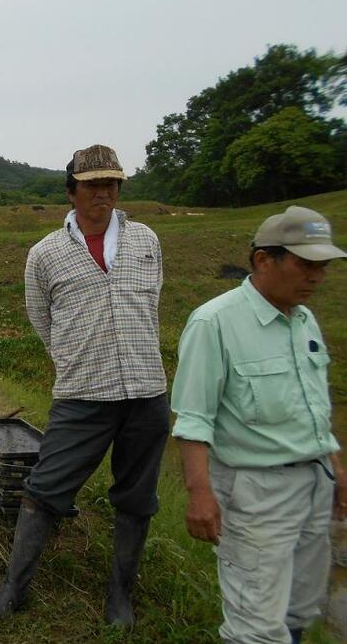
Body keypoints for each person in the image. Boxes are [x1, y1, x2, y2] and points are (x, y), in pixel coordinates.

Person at [0, 144, 169, 628]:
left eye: (110, 184)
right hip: (82, 393)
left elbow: (151, 305)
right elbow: (40, 317)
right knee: (44, 490)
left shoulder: (145, 239)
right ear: (71, 192)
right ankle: (13, 589)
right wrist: (71, 357)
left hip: (147, 392)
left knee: (136, 497)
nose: (102, 193)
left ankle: (119, 595)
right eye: (91, 185)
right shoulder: (46, 253)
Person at [171, 205, 347, 644]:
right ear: (264, 260)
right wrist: (200, 494)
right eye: (306, 265)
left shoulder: (303, 319)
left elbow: (314, 405)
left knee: (301, 608)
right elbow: (193, 419)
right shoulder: (215, 322)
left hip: (315, 482)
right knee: (256, 626)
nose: (316, 277)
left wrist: (336, 469)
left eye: (322, 267)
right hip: (256, 493)